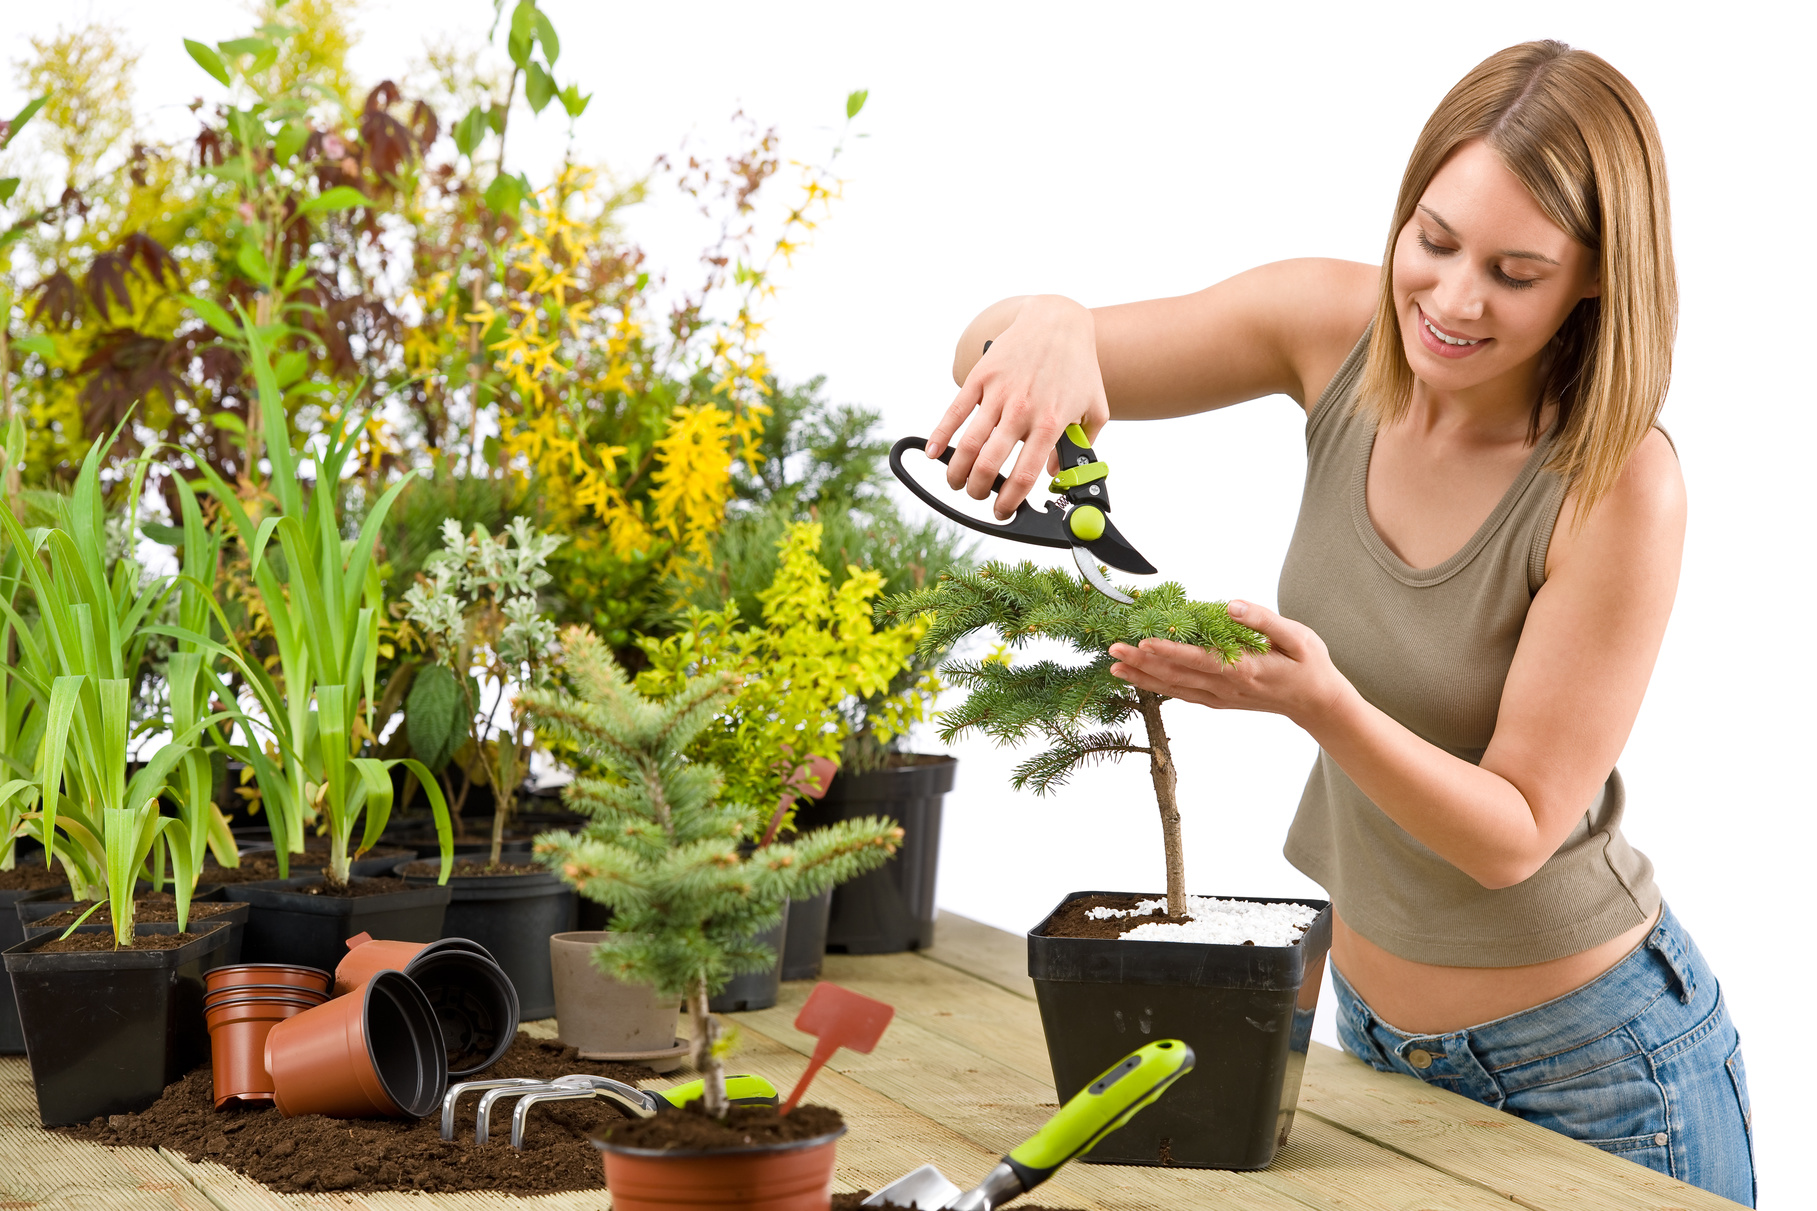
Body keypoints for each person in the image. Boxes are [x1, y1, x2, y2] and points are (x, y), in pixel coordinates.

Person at [925, 40, 1753, 1206]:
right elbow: (991, 356)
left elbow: (1512, 830)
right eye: (1433, 239)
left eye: (1514, 272)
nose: (1452, 299)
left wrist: (1318, 702)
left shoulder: (1614, 482)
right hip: (1368, 1037)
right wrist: (1053, 320)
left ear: (1594, 279)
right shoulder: (1326, 328)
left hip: (1594, 1068)